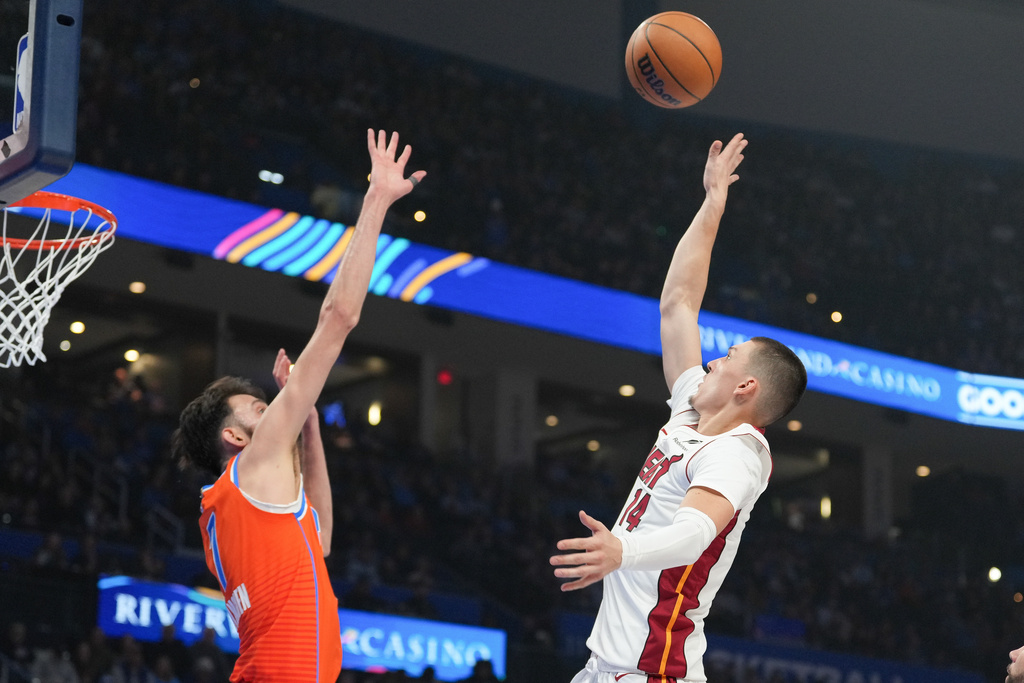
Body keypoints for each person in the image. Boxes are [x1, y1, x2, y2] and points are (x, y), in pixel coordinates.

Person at [549, 134, 807, 683]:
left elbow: (694, 535)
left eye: (728, 358)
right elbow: (678, 303)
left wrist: (622, 549)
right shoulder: (690, 409)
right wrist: (713, 202)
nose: (712, 360)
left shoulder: (738, 454)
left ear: (747, 389)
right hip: (607, 667)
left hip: (652, 672)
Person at [171, 129, 425, 683]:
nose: (273, 411)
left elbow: (322, 535)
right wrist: (377, 199)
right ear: (235, 439)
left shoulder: (236, 504)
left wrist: (308, 420)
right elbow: (338, 318)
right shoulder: (251, 468)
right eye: (259, 410)